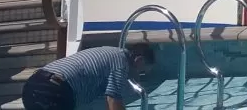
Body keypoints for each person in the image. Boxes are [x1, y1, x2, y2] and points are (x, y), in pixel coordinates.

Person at [21, 44, 155, 110]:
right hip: (54, 91)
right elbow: (113, 100)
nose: (138, 75)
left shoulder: (110, 51)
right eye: (141, 71)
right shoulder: (121, 63)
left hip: (33, 85)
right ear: (139, 60)